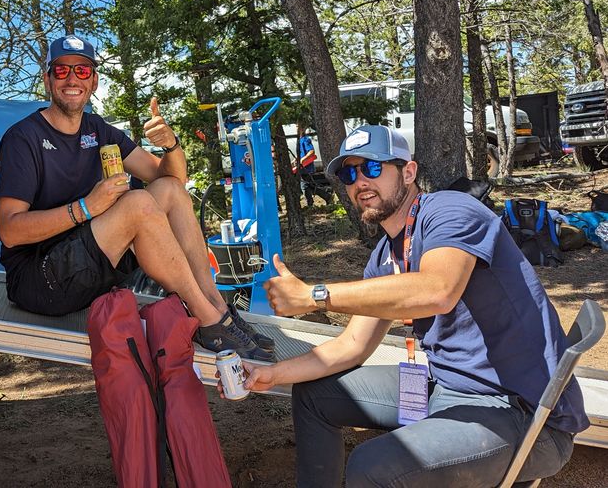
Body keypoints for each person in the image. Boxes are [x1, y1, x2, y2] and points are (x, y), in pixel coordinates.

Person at [237, 124, 588, 487]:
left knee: (371, 467)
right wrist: (273, 374)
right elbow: (352, 345)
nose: (360, 182)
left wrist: (315, 296)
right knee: (314, 396)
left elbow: (438, 290)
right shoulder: (384, 255)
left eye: (372, 168)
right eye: (348, 173)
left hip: (520, 411)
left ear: (408, 171)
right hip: (448, 388)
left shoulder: (451, 211)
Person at [0, 34, 272, 361]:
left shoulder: (96, 129)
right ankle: (206, 320)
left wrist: (170, 144)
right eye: (61, 70)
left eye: (82, 71)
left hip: (89, 264)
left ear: (94, 80)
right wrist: (86, 208)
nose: (72, 79)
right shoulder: (22, 138)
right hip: (41, 282)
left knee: (168, 192)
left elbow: (171, 179)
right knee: (136, 203)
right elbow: (9, 232)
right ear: (47, 79)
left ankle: (217, 307)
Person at [294, 121, 319, 207]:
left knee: (304, 186)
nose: (296, 128)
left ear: (303, 128)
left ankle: (310, 204)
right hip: (302, 167)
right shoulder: (299, 140)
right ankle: (327, 196)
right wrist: (296, 159)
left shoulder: (305, 139)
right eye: (296, 126)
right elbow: (300, 153)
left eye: (298, 126)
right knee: (309, 186)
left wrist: (303, 159)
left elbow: (311, 151)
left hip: (307, 167)